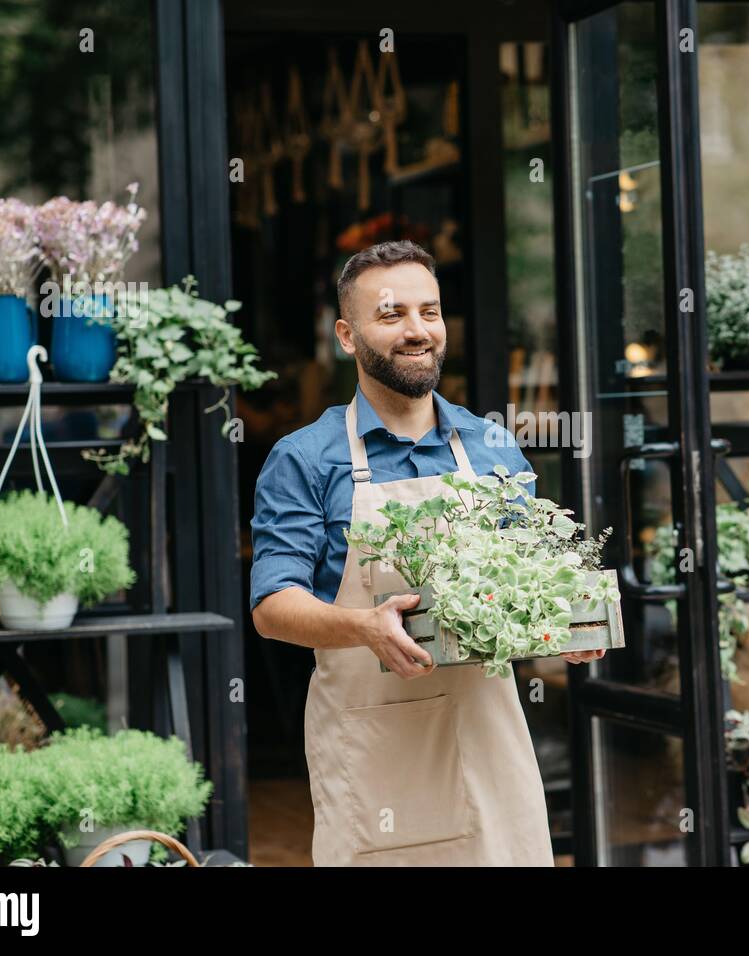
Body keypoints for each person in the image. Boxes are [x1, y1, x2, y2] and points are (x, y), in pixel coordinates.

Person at [249, 240, 601, 866]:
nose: (417, 331)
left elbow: (536, 583)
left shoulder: (490, 445)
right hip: (375, 746)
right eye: (391, 315)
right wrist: (364, 627)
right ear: (348, 336)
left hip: (488, 740)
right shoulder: (305, 458)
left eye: (429, 312)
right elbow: (274, 607)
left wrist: (564, 625)